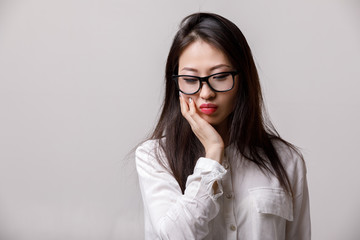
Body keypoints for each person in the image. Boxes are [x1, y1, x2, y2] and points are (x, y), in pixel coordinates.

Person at [135, 12, 311, 240]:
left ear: (242, 80)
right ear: (176, 84)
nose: (206, 93)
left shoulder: (287, 160)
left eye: (220, 77)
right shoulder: (154, 157)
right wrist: (212, 155)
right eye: (190, 80)